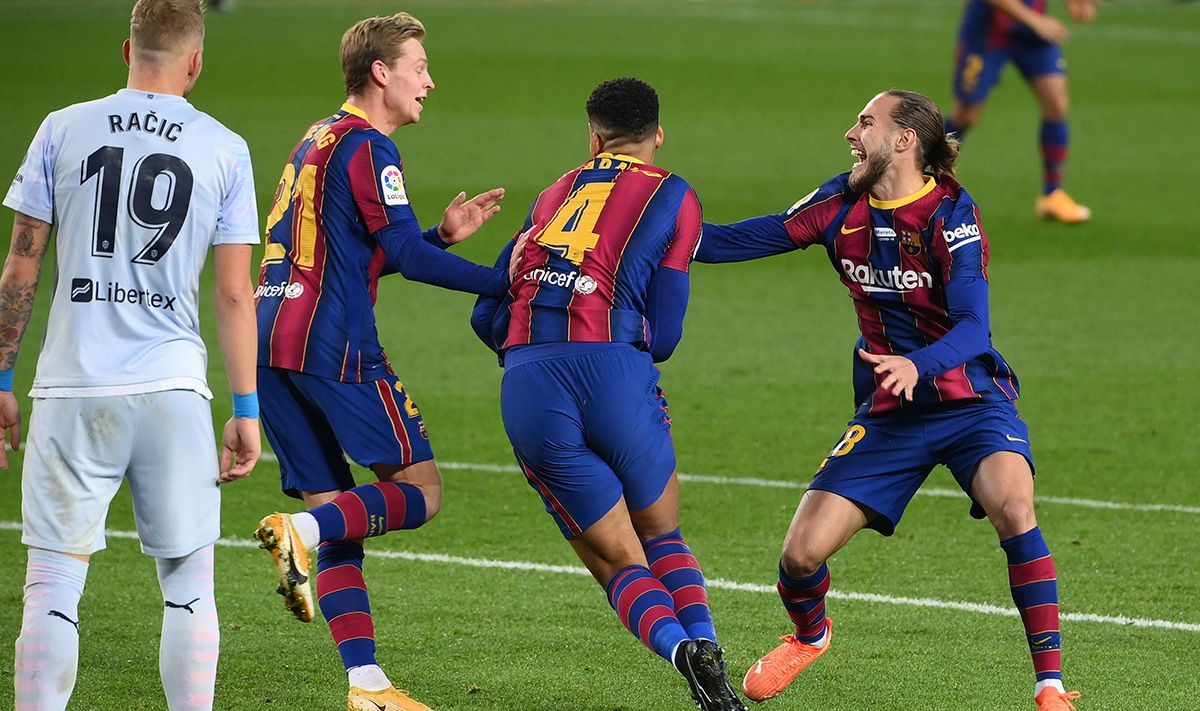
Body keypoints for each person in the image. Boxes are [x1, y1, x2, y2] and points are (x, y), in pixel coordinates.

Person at [694, 90, 1080, 711]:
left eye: (865, 123)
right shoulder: (839, 202)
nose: (851, 133)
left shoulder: (952, 213)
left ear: (905, 139)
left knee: (1014, 506)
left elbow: (974, 327)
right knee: (799, 556)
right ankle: (810, 636)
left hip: (970, 402)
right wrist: (653, 226)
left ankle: (1051, 686)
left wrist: (916, 364)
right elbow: (747, 238)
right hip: (890, 413)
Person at [0, 1, 261, 709]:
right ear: (196, 61)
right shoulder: (224, 146)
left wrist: (0, 377)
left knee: (53, 585)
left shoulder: (62, 127)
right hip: (174, 390)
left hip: (70, 385)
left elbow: (20, 270)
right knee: (187, 587)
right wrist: (245, 408)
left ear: (127, 51)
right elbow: (236, 294)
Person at [250, 12, 511, 711]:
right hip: (332, 344)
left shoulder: (316, 138)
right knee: (419, 490)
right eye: (418, 65)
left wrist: (439, 234)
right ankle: (297, 530)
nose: (429, 79)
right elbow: (403, 258)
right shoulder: (369, 147)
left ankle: (366, 686)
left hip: (268, 340)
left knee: (343, 515)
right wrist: (507, 280)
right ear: (381, 72)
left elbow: (350, 253)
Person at [470, 77, 747, 711]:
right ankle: (705, 644)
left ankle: (680, 653)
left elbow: (486, 317)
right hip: (617, 376)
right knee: (662, 535)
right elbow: (668, 335)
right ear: (659, 135)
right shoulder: (674, 195)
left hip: (532, 381)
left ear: (592, 139)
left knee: (618, 563)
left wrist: (536, 354)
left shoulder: (551, 195)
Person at [946, 0, 1096, 223]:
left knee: (1056, 104)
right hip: (988, 32)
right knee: (966, 115)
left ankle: (1052, 195)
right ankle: (924, 183)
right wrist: (1034, 20)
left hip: (1031, 34)